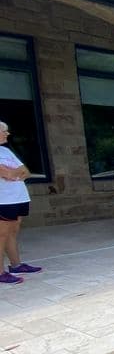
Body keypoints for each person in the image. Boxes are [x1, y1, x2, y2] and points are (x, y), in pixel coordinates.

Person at [0, 121, 42, 284]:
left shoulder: (5, 151)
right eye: (4, 131)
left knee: (12, 233)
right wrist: (13, 173)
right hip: (3, 200)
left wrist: (12, 172)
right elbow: (7, 174)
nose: (7, 134)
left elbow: (26, 172)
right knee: (1, 235)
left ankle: (16, 265)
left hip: (18, 198)